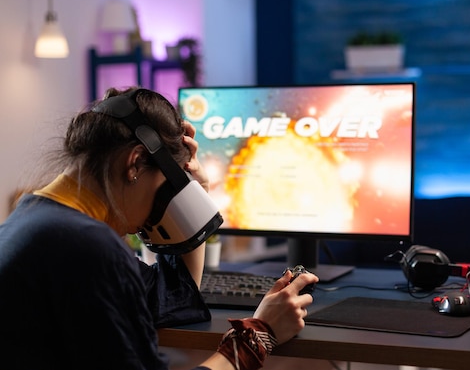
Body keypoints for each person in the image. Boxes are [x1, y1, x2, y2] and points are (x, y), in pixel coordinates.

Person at [0, 87, 319, 370]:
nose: (157, 213)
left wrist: (192, 191)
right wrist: (258, 335)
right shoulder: (87, 246)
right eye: (168, 189)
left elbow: (177, 300)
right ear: (135, 164)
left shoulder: (30, 221)